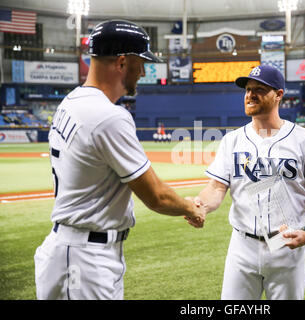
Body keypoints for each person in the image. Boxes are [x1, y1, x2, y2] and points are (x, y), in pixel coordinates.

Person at [34, 20, 205, 300]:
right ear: (122, 62)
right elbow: (156, 196)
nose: (144, 70)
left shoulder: (71, 101)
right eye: (141, 62)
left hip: (71, 250)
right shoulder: (109, 116)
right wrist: (191, 208)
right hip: (84, 261)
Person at [186, 65, 305, 300]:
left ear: (279, 95)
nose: (250, 95)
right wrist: (201, 206)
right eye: (247, 89)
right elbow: (216, 188)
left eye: (259, 89)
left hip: (286, 245)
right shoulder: (232, 141)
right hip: (242, 245)